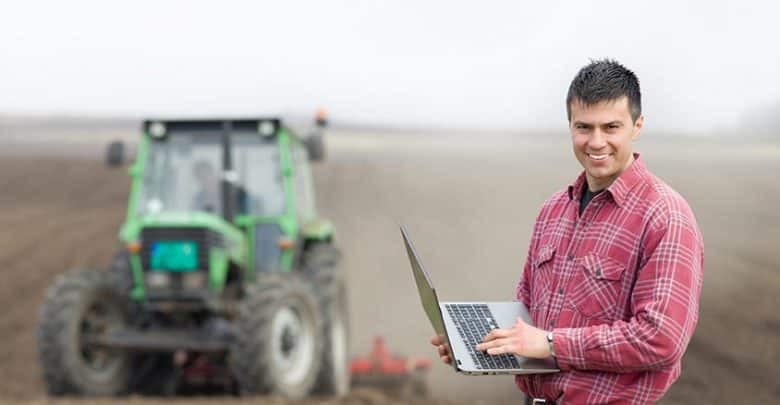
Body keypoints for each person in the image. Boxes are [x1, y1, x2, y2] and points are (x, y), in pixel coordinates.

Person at [430, 59, 704, 404]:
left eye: (611, 127)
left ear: (637, 126)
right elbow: (528, 313)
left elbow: (660, 338)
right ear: (570, 126)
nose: (596, 141)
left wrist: (549, 344)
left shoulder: (665, 216)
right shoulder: (553, 210)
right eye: (584, 127)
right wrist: (474, 341)